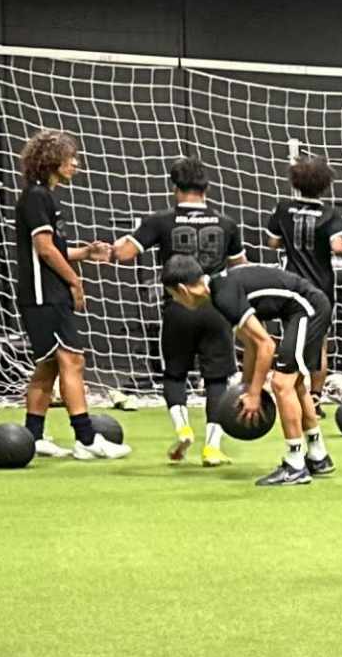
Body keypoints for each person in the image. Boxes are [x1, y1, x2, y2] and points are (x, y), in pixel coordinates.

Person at [96, 157, 247, 464]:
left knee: (174, 374)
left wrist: (118, 242)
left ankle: (182, 430)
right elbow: (240, 267)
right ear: (206, 187)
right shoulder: (227, 223)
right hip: (217, 306)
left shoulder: (159, 221)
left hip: (178, 307)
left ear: (174, 188)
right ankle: (213, 447)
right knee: (217, 379)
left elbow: (123, 254)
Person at [14, 129, 123, 459]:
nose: (76, 163)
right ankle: (87, 439)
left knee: (48, 366)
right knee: (72, 361)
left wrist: (85, 253)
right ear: (52, 161)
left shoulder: (44, 197)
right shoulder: (36, 197)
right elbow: (45, 250)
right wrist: (75, 282)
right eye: (70, 157)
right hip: (45, 295)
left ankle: (33, 437)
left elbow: (55, 249)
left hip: (43, 295)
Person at [176, 257, 330, 486]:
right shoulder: (221, 291)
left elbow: (266, 346)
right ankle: (318, 456)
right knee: (294, 384)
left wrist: (255, 394)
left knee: (281, 384)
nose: (177, 302)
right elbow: (251, 345)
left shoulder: (223, 295)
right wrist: (246, 386)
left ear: (182, 289)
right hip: (302, 310)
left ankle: (295, 464)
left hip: (308, 310)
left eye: (174, 296)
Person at [264, 154, 342, 406]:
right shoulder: (330, 213)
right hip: (320, 286)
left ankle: (291, 392)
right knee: (319, 344)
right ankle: (314, 396)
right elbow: (338, 247)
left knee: (291, 339)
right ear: (325, 183)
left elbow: (273, 242)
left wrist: (290, 241)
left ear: (295, 181)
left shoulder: (282, 208)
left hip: (290, 286)